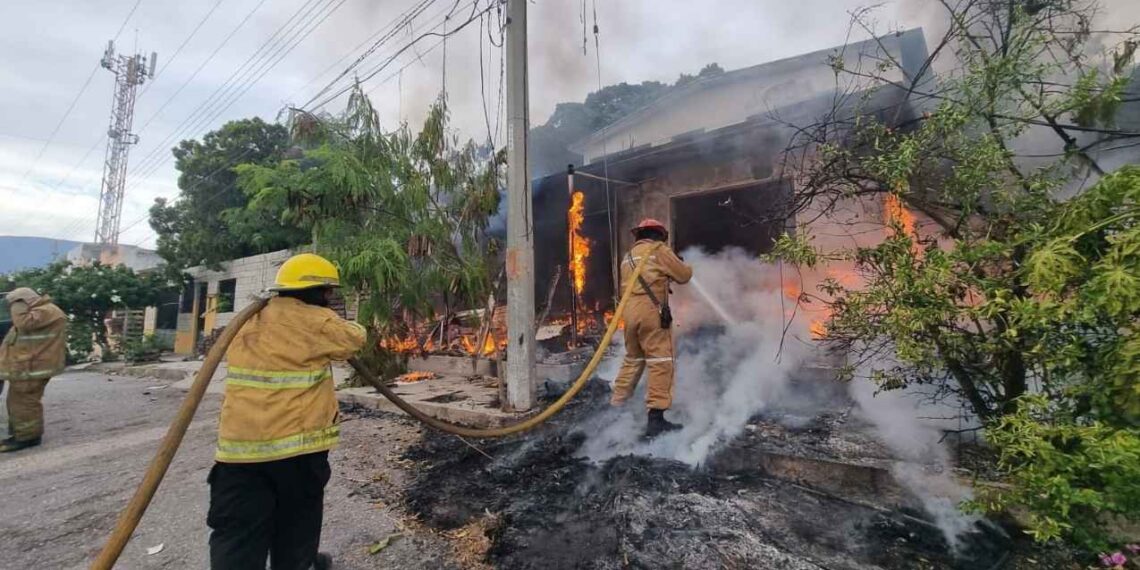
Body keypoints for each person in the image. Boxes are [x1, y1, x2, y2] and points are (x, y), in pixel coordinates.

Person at [208, 253, 366, 570]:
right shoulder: (316, 322)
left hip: (238, 455)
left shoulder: (248, 320)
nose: (331, 298)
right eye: (329, 292)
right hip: (296, 451)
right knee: (296, 525)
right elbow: (355, 338)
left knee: (237, 535)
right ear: (321, 292)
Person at [610, 219, 693, 437]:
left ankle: (616, 408)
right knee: (661, 360)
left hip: (629, 313)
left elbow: (642, 281)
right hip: (651, 313)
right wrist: (680, 263)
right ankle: (656, 419)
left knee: (633, 358)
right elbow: (684, 275)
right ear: (658, 235)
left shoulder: (627, 258)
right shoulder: (658, 250)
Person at [0, 287, 67, 453]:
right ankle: (21, 434)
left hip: (32, 368)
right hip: (28, 367)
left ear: (24, 300)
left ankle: (28, 438)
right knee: (18, 402)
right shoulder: (42, 311)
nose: (12, 307)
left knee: (25, 403)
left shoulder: (47, 311)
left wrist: (16, 301)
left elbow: (23, 323)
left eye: (16, 303)